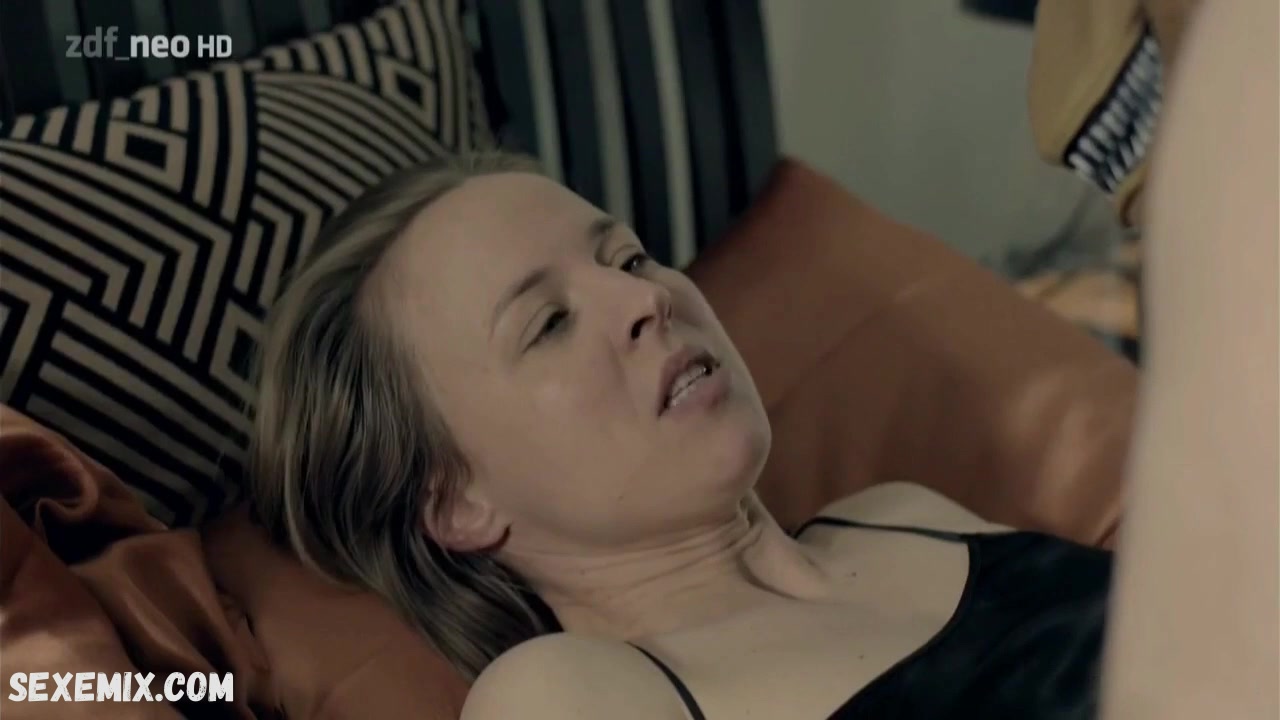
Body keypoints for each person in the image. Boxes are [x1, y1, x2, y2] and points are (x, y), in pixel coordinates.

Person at [248, 1, 1275, 716]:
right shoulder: (564, 692)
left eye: (629, 257)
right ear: (454, 501)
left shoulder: (901, 516)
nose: (646, 297)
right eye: (547, 323)